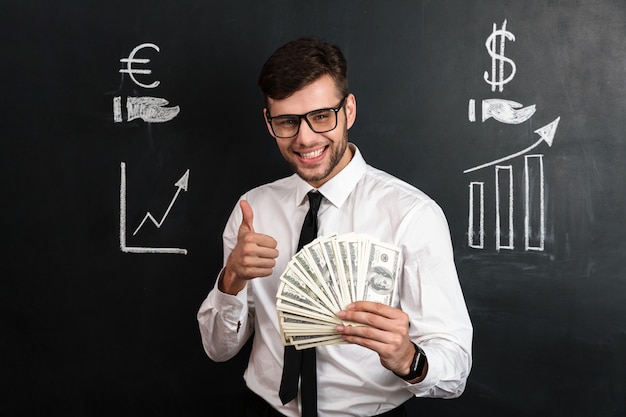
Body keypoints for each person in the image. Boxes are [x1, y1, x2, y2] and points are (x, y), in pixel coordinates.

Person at [197, 37, 473, 417]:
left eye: (321, 116)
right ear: (268, 121)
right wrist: (231, 280)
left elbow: (454, 368)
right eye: (287, 121)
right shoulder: (253, 210)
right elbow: (218, 349)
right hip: (261, 408)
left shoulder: (412, 214)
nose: (305, 138)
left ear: (349, 111)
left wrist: (410, 359)